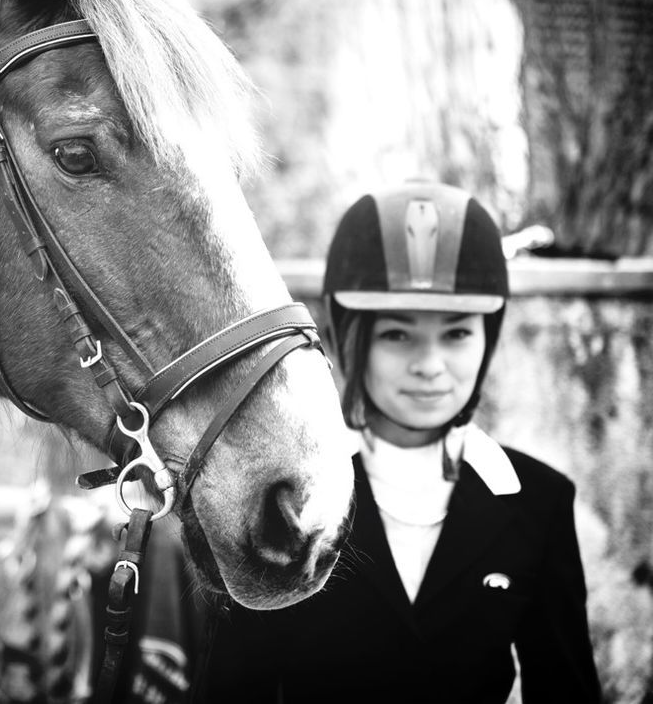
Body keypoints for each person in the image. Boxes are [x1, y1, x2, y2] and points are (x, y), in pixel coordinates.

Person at [191, 180, 602, 704]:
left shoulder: (539, 502)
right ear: (351, 339)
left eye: (456, 333)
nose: (430, 366)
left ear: (488, 336)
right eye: (397, 335)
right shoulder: (286, 502)